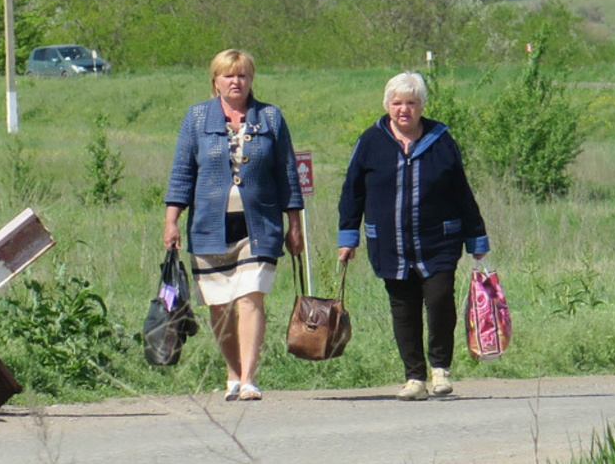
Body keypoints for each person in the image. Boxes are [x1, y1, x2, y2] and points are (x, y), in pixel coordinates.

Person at [337, 71, 491, 401]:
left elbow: (462, 191)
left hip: (438, 240)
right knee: (403, 308)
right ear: (386, 105)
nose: (403, 109)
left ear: (421, 106)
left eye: (411, 103)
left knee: (438, 300)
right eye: (397, 103)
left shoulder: (441, 140)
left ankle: (440, 370)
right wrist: (348, 237)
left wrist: (476, 237)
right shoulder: (370, 142)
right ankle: (414, 377)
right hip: (390, 243)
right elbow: (352, 192)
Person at [164, 49, 304, 401]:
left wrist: (294, 224)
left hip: (259, 226)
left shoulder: (270, 118)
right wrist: (172, 221)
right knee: (219, 306)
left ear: (251, 79)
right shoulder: (197, 118)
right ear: (215, 81)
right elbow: (182, 173)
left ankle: (249, 378)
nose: (236, 81)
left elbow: (287, 174)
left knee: (249, 299)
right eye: (228, 75)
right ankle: (233, 372)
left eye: (242, 75)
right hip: (208, 227)